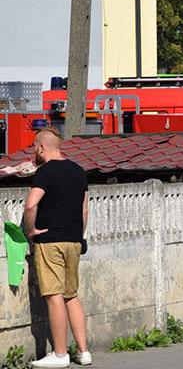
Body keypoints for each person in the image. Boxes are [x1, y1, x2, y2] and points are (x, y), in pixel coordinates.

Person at [24, 128, 92, 368]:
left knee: (54, 296)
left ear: (42, 147)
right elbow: (84, 209)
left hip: (50, 241)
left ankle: (60, 354)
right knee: (71, 295)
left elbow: (31, 205)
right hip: (74, 241)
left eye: (34, 146)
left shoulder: (45, 172)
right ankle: (83, 352)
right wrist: (79, 235)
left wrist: (31, 231)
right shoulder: (78, 171)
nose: (34, 151)